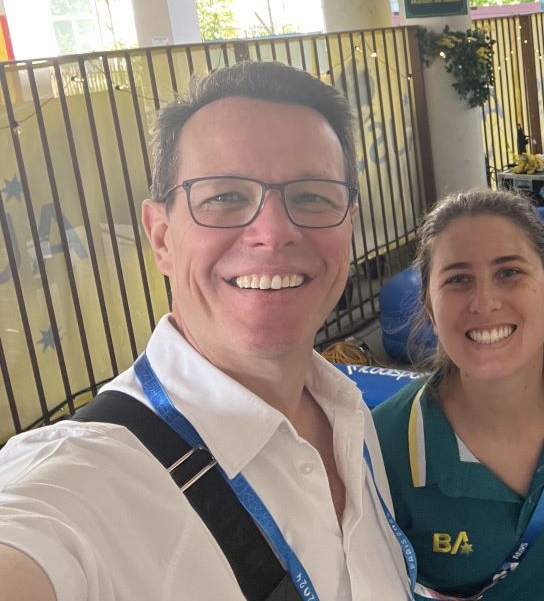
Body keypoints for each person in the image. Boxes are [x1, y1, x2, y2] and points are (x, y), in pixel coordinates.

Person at [0, 62, 416, 601]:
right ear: (161, 237)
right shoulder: (86, 477)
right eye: (225, 197)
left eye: (312, 196)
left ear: (349, 224)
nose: (273, 232)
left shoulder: (347, 413)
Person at [372, 189, 544, 601]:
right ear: (429, 307)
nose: (484, 302)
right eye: (458, 279)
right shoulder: (383, 448)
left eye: (509, 273)